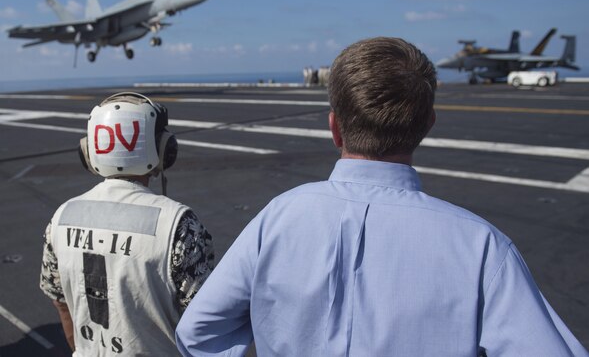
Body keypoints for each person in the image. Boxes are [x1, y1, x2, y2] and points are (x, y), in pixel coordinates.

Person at [175, 38, 588, 356]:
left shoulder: (279, 217)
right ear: (428, 124)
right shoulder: (481, 246)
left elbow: (198, 332)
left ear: (335, 128)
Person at [40, 92, 214, 356]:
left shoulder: (61, 218)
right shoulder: (180, 225)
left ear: (89, 152)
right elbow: (207, 320)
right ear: (164, 150)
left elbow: (60, 301)